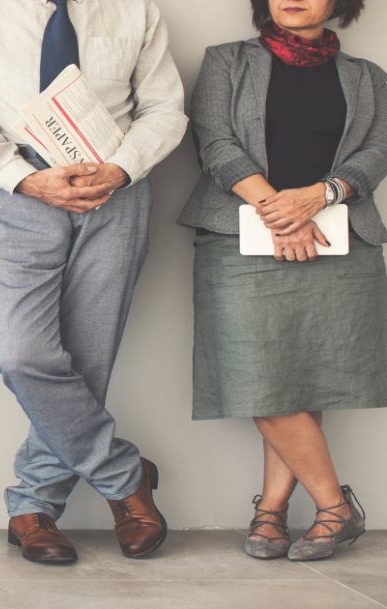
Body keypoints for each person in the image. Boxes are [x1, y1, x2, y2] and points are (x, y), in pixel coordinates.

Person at [0, 0, 187, 564]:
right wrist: (23, 177)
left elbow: (165, 108)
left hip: (113, 187)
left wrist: (121, 169)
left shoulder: (135, 9)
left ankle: (33, 506)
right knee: (22, 354)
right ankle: (124, 476)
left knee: (88, 360)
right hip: (8, 189)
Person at [179, 0, 384, 561]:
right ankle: (336, 508)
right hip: (238, 237)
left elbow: (378, 151)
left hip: (341, 242)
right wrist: (281, 212)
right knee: (257, 375)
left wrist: (321, 195)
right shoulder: (225, 61)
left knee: (304, 379)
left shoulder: (367, 76)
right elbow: (215, 144)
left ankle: (270, 512)